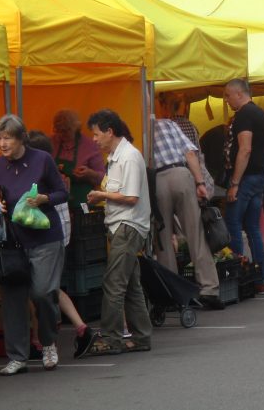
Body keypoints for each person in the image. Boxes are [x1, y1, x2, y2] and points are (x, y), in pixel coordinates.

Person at [0, 115, 67, 376]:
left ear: (21, 138)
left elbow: (62, 192)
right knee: (12, 298)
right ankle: (17, 356)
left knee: (43, 292)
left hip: (45, 238)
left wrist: (44, 198)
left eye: (7, 137)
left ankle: (47, 343)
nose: (2, 143)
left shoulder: (42, 159)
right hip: (13, 241)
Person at [84, 109, 152, 355]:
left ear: (109, 131)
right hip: (120, 225)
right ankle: (142, 337)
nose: (94, 139)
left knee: (113, 283)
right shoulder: (116, 156)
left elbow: (131, 197)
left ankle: (111, 338)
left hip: (128, 225)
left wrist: (101, 195)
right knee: (130, 284)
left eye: (96, 133)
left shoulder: (129, 157)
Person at [25, 130, 96, 358]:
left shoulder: (38, 177)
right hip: (61, 236)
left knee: (40, 289)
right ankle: (78, 328)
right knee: (48, 288)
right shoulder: (55, 174)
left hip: (48, 239)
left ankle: (41, 339)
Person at [151, 117, 224, 309]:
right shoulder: (168, 124)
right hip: (181, 174)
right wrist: (200, 183)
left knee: (163, 240)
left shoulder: (137, 125)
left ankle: (172, 293)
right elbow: (190, 154)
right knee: (196, 233)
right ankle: (209, 290)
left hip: (156, 179)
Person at [222, 79, 264, 294]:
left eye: (227, 95)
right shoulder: (262, 114)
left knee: (233, 222)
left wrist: (234, 183)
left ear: (239, 94)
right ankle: (260, 279)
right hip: (259, 176)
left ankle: (238, 278)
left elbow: (245, 149)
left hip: (246, 177)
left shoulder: (243, 115)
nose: (226, 100)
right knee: (253, 227)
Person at [50, 109, 105, 210]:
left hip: (82, 203)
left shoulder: (90, 146)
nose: (62, 134)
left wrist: (90, 173)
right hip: (57, 203)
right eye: (59, 130)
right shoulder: (51, 142)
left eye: (66, 130)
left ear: (76, 128)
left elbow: (103, 178)